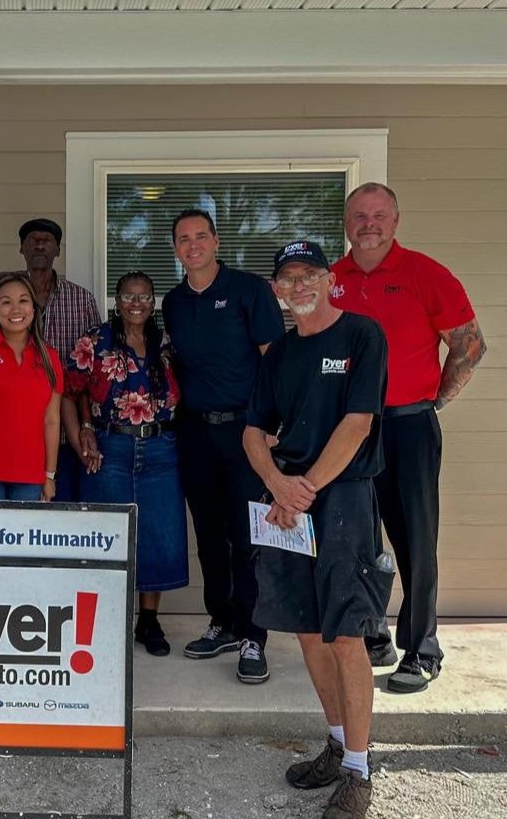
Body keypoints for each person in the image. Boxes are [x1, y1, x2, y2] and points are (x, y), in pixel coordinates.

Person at [243, 240, 389, 819]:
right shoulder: (279, 353)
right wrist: (278, 484)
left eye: (309, 275)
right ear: (276, 291)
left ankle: (359, 770)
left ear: (330, 280)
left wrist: (303, 489)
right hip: (289, 500)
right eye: (288, 278)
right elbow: (253, 432)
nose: (299, 286)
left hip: (343, 498)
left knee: (346, 633)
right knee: (306, 630)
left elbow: (358, 424)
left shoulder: (361, 336)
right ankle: (335, 742)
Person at [330, 182, 486, 694]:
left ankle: (422, 648)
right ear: (347, 222)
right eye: (359, 215)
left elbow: (469, 345)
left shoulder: (426, 274)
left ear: (395, 221)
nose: (368, 224)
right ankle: (372, 632)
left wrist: (435, 399)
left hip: (407, 424)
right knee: (356, 536)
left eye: (379, 215)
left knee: (415, 538)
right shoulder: (332, 280)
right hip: (349, 428)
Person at [162, 208, 285, 684]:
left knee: (248, 535)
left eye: (200, 236)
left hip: (245, 432)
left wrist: (274, 426)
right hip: (194, 432)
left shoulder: (249, 290)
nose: (192, 245)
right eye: (183, 238)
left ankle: (254, 634)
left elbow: (275, 362)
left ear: (216, 242)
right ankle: (224, 622)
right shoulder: (173, 302)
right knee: (209, 534)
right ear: (176, 249)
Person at [65, 272, 188, 656]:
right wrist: (82, 432)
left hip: (161, 447)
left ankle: (148, 621)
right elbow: (70, 391)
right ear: (117, 301)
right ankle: (108, 621)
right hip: (110, 446)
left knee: (157, 533)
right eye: (129, 296)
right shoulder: (95, 340)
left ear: (153, 302)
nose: (137, 303)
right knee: (107, 536)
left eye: (145, 296)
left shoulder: (165, 342)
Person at [12, 218, 102, 502]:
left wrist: (86, 426)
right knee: (21, 518)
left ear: (58, 250)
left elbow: (95, 369)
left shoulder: (81, 300)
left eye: (47, 240)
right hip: (17, 432)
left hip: (67, 434)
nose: (39, 245)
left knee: (66, 515)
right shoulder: (6, 298)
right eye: (33, 240)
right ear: (22, 248)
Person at [0, 272, 63, 501]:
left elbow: (52, 420)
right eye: (6, 302)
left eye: (23, 300)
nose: (16, 309)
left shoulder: (49, 357)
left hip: (30, 477)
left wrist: (49, 475)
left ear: (33, 308)